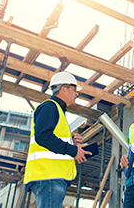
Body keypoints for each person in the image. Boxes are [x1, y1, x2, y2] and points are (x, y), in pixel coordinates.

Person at [24, 72, 92, 208]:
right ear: (64, 89)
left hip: (51, 177)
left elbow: (50, 138)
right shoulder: (50, 107)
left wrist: (73, 144)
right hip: (48, 176)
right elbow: (43, 136)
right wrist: (73, 150)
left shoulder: (56, 110)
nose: (77, 94)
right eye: (74, 90)